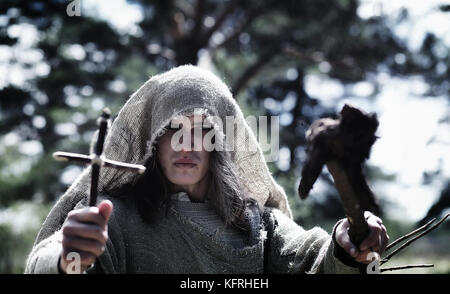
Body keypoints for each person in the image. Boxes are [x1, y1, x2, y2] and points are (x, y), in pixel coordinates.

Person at [25, 65, 388, 274]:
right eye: (173, 129)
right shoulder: (114, 217)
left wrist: (347, 242)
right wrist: (69, 255)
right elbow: (50, 261)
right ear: (153, 138)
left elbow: (314, 260)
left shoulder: (258, 226)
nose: (186, 144)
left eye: (201, 129)